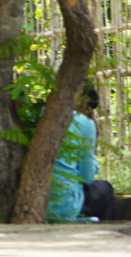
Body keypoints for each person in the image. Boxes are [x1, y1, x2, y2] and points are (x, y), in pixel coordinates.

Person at [48, 82, 116, 223]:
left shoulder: (39, 114)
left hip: (38, 202)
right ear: (85, 101)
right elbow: (86, 177)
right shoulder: (83, 122)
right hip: (66, 204)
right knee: (105, 189)